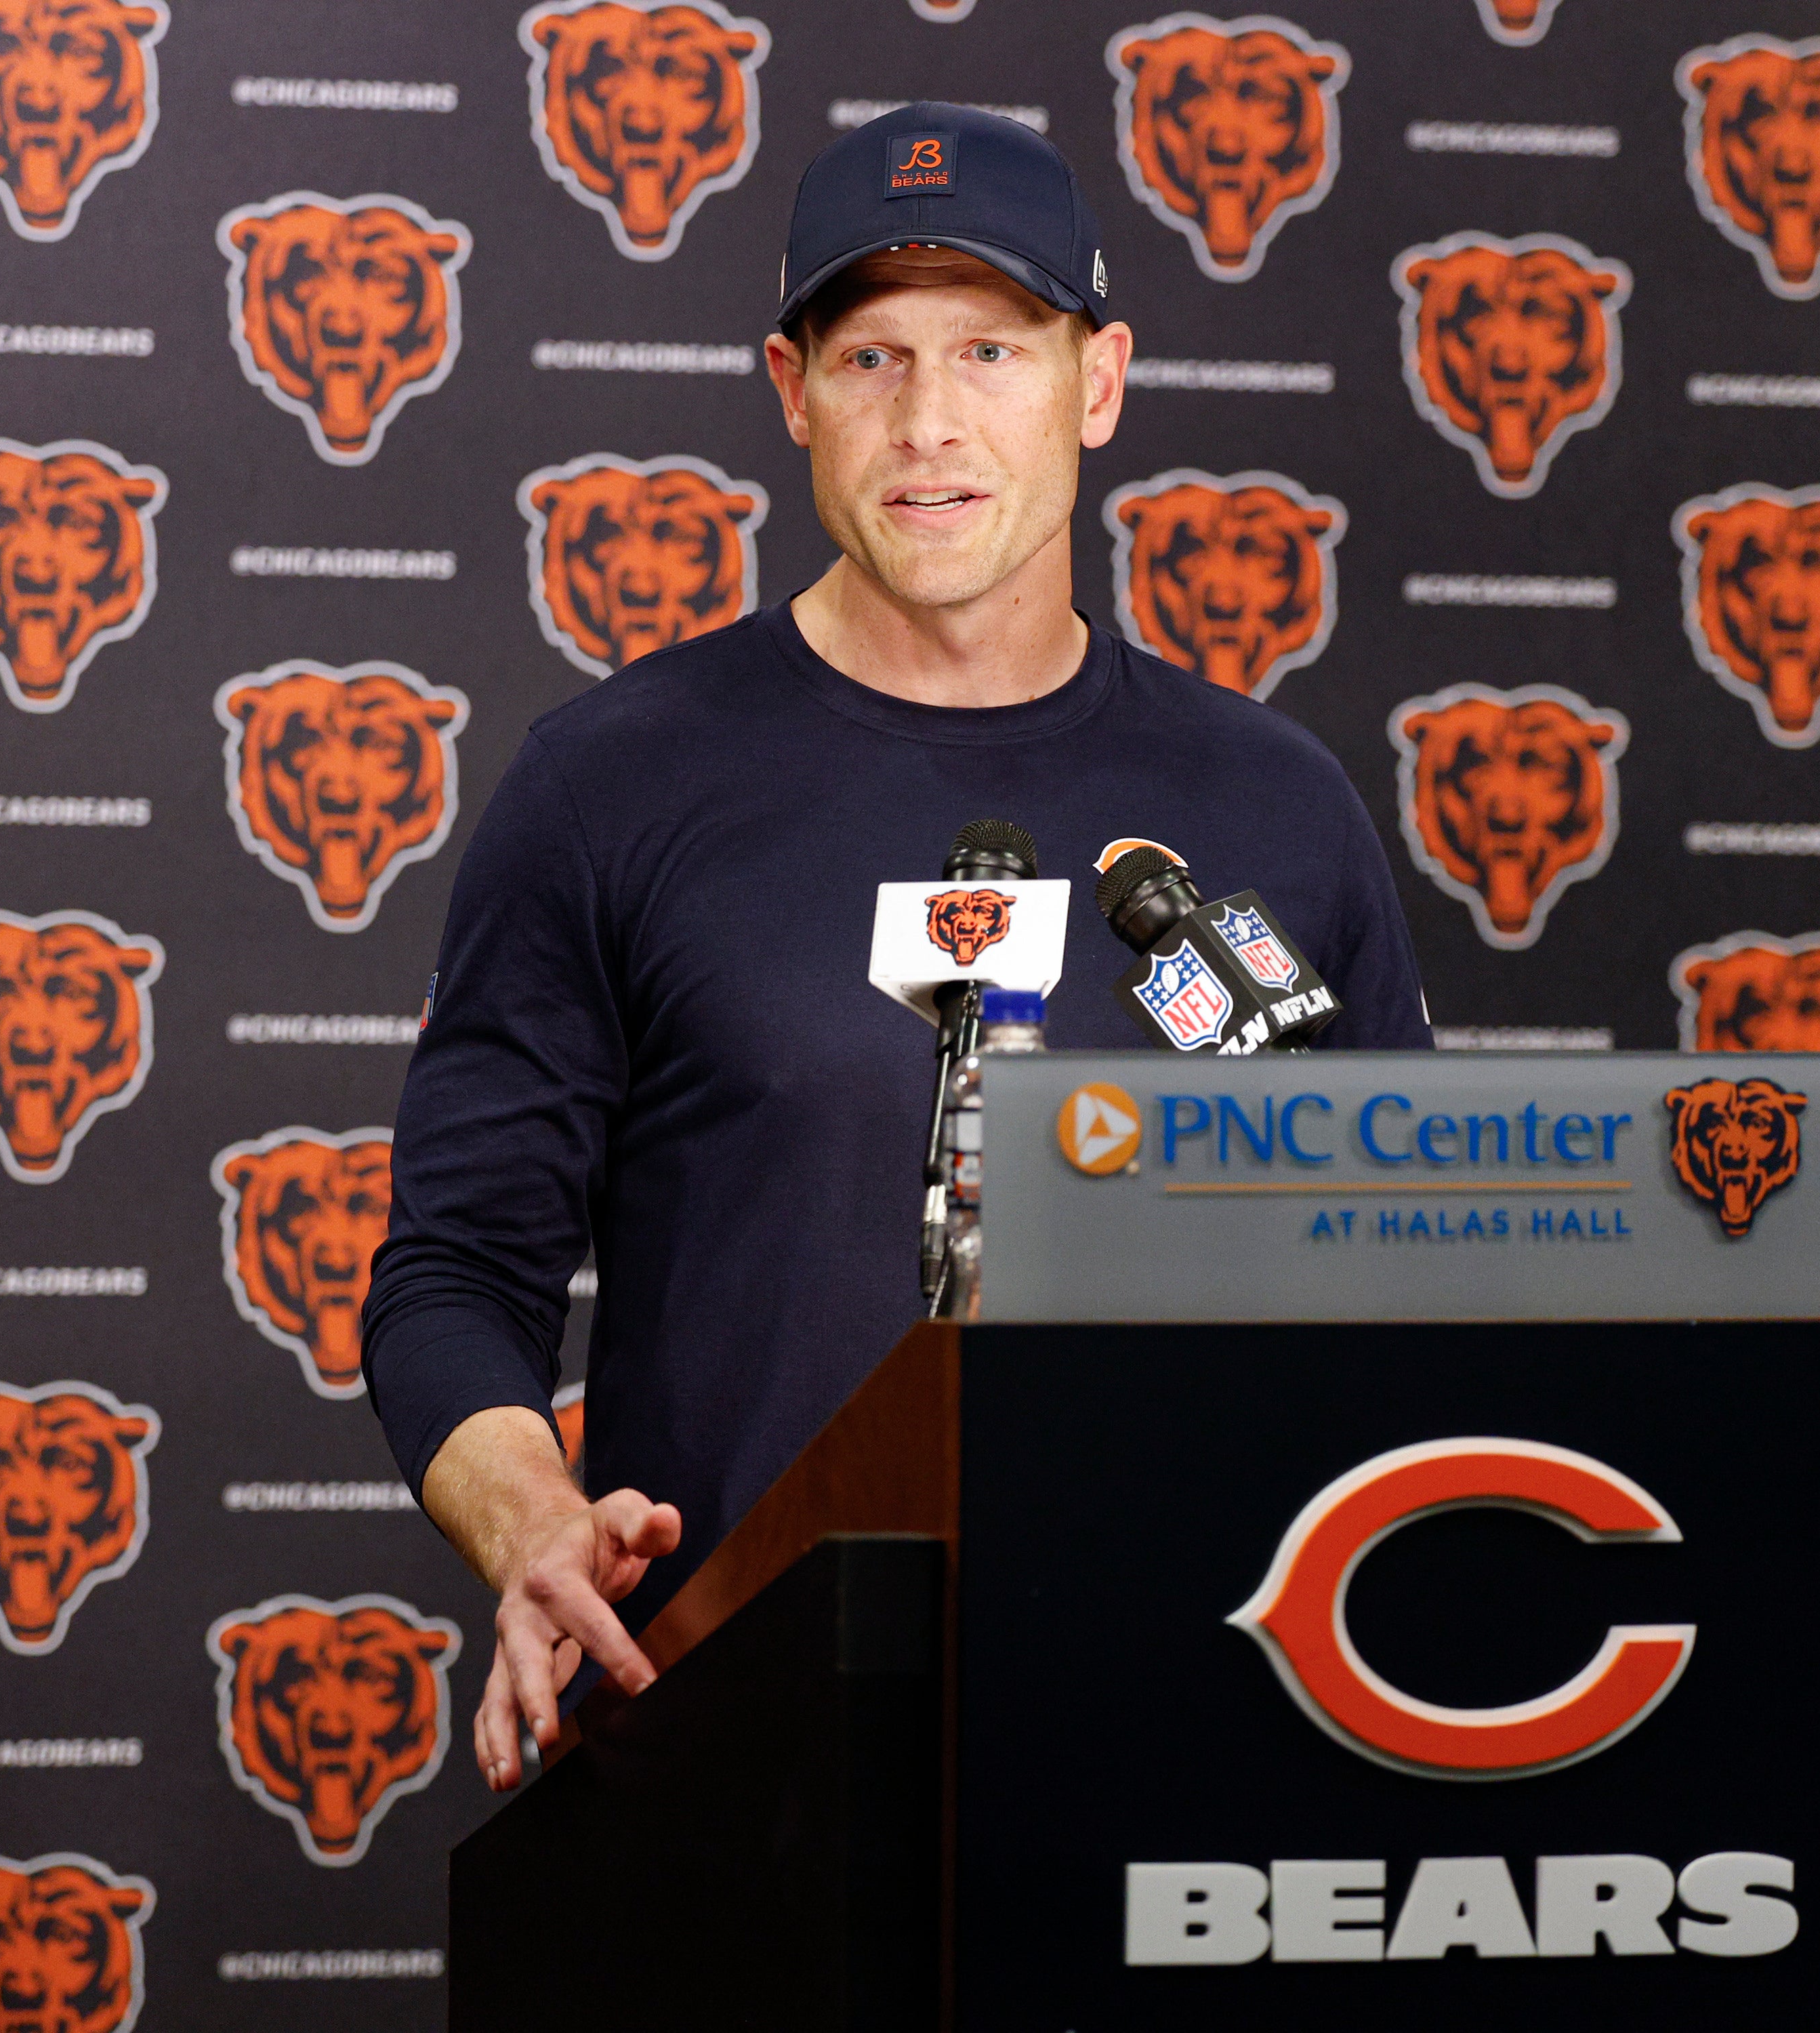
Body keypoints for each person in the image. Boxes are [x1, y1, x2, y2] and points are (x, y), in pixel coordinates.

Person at [361, 104, 1430, 1792]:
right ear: (791, 393)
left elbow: (1409, 1284)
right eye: (871, 359)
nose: (931, 423)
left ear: (1101, 381)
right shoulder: (608, 785)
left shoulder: (1274, 806)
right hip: (737, 1746)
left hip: (1200, 1734)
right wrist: (537, 1526)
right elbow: (449, 1282)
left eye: (993, 349)